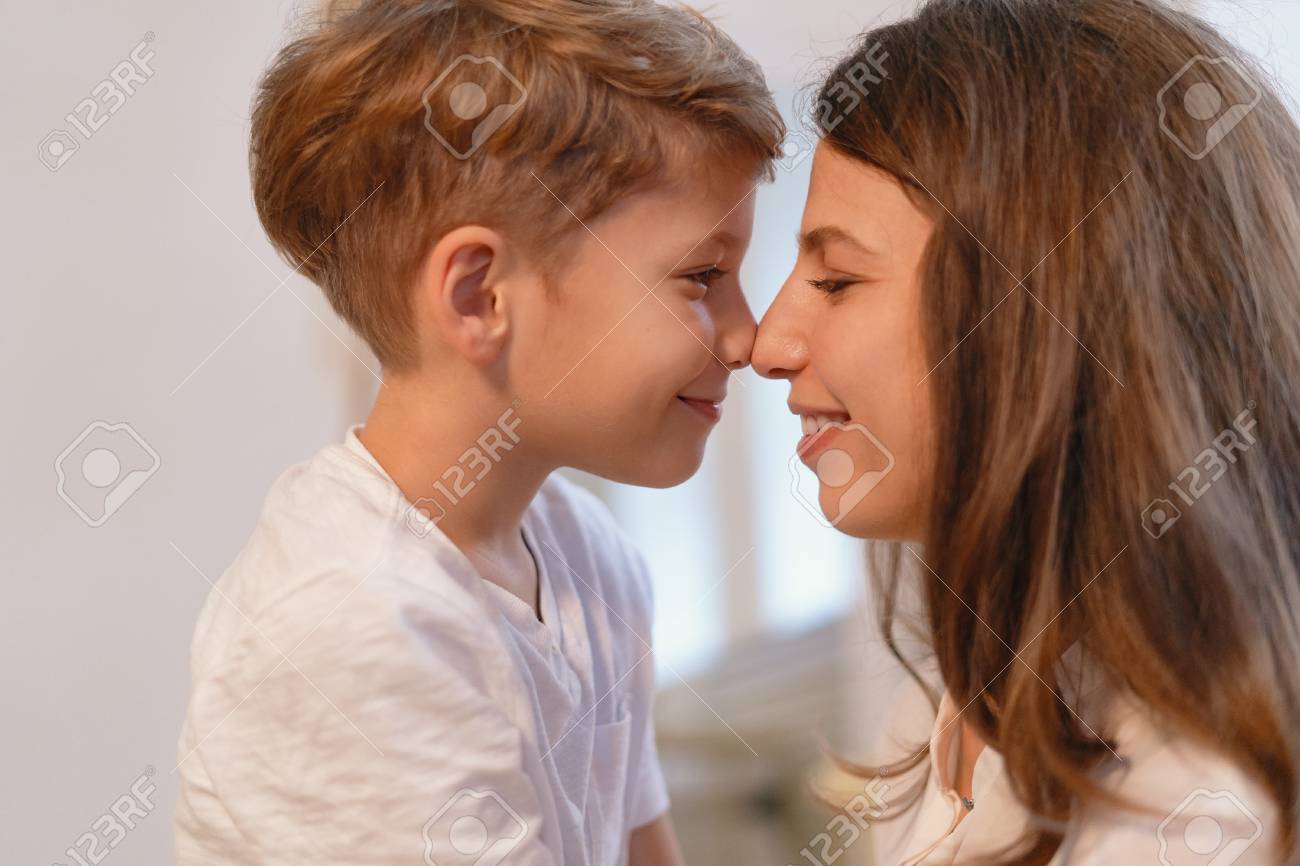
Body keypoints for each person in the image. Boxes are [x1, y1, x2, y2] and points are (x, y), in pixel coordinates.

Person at [173, 2, 783, 864]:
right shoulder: (354, 624)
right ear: (479, 298)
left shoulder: (592, 558)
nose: (747, 335)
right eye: (701, 277)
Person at [753, 0, 1299, 863]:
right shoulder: (975, 697)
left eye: (837, 280)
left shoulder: (1186, 813)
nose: (766, 345)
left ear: (1039, 315)